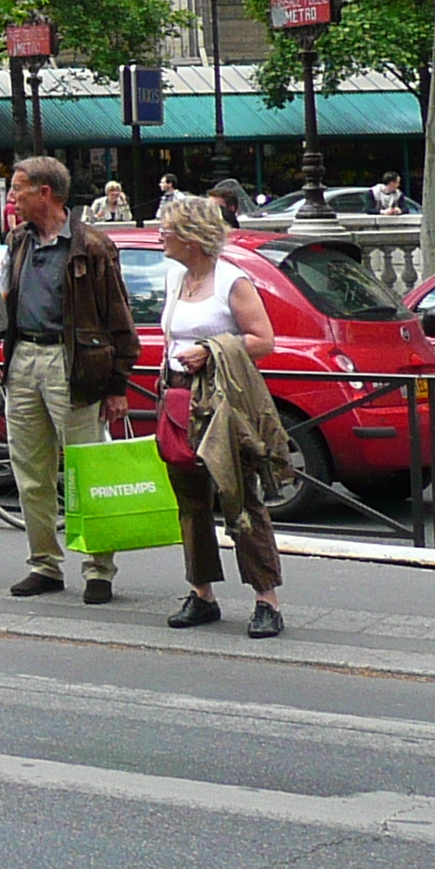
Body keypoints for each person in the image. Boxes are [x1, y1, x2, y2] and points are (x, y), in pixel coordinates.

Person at [0, 155, 137, 601]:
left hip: (72, 365)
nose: (11, 197)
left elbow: (119, 319)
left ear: (45, 193)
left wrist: (117, 385)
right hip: (23, 357)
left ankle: (98, 570)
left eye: (19, 188)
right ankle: (44, 564)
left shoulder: (93, 246)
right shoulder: (18, 240)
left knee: (85, 472)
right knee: (30, 471)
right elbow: (11, 297)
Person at [154, 194, 288, 638]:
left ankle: (266, 600)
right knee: (190, 501)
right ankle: (202, 592)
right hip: (180, 401)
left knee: (240, 498)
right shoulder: (176, 277)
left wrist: (209, 350)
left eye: (167, 229)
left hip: (223, 403)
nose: (160, 235)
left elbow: (263, 340)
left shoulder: (231, 280)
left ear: (191, 237)